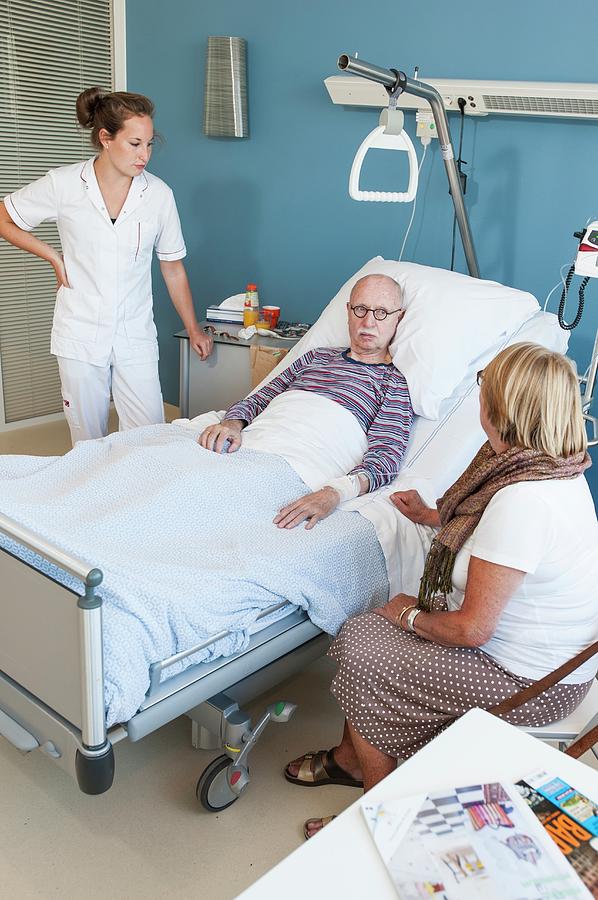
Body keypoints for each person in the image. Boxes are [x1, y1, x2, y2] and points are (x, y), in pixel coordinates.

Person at [284, 341, 598, 838]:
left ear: (502, 407)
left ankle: (383, 816)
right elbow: (501, 547)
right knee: (371, 631)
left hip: (532, 683)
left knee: (362, 643)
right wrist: (435, 519)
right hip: (555, 659)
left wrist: (408, 615)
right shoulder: (552, 465)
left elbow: (472, 629)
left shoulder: (524, 501)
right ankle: (349, 760)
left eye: (483, 386)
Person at [0, 87, 212, 444]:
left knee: (149, 439)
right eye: (135, 144)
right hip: (79, 334)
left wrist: (193, 328)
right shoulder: (64, 185)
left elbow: (172, 268)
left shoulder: (159, 195)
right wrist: (53, 256)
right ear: (105, 138)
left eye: (149, 144)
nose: (144, 155)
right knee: (87, 442)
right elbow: (5, 218)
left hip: (135, 335)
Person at [199, 274, 413, 529]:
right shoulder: (315, 357)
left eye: (381, 313)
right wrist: (232, 423)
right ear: (347, 311)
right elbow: (260, 398)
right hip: (249, 448)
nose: (368, 321)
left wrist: (334, 493)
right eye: (360, 309)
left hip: (299, 466)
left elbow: (385, 456)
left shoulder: (393, 383)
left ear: (398, 317)